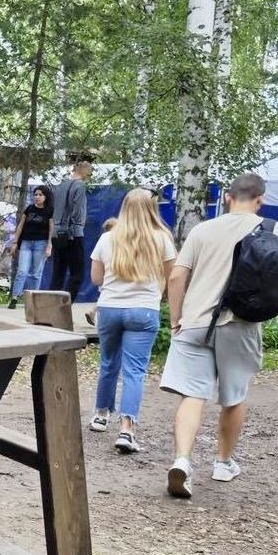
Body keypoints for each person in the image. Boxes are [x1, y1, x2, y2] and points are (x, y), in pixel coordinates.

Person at [161, 172, 278, 498]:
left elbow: (176, 277)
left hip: (194, 323)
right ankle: (223, 463)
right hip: (240, 323)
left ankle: (182, 461)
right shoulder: (271, 228)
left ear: (227, 197)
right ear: (260, 200)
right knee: (233, 396)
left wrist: (176, 319)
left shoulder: (202, 229)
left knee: (192, 395)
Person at [87, 188, 176, 454]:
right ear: (152, 209)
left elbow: (96, 279)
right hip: (144, 310)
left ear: (124, 208)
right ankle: (127, 429)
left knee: (108, 363)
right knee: (134, 371)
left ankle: (101, 414)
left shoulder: (107, 238)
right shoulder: (162, 239)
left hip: (110, 308)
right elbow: (172, 277)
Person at [46, 156, 92, 296]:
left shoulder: (61, 185)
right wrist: (75, 227)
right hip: (73, 233)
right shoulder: (80, 186)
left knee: (58, 273)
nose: (90, 173)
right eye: (90, 169)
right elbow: (78, 210)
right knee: (77, 274)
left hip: (57, 232)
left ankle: (52, 304)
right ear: (83, 168)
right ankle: (66, 304)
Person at [7, 185, 53, 308]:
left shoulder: (49, 211)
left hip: (41, 244)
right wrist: (15, 243)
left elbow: (51, 229)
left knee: (36, 273)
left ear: (46, 197)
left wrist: (49, 245)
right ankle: (14, 298)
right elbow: (20, 226)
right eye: (35, 194)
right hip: (26, 243)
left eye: (40, 195)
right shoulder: (29, 209)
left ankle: (32, 300)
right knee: (22, 271)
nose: (37, 197)